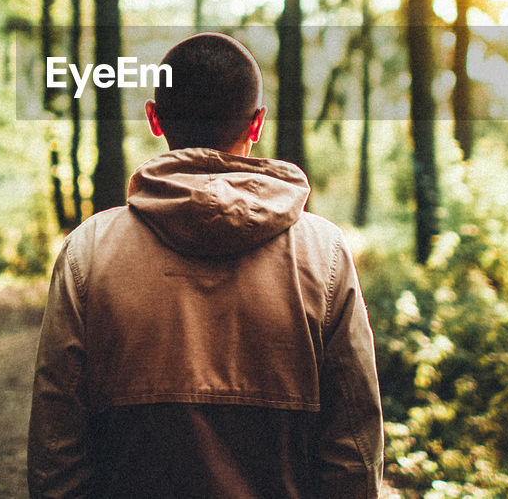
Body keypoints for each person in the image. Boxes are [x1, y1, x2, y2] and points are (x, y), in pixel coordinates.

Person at [27, 32, 384, 498]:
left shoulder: (88, 252)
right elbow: (354, 453)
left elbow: (56, 450)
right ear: (256, 123)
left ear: (154, 118)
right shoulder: (325, 254)